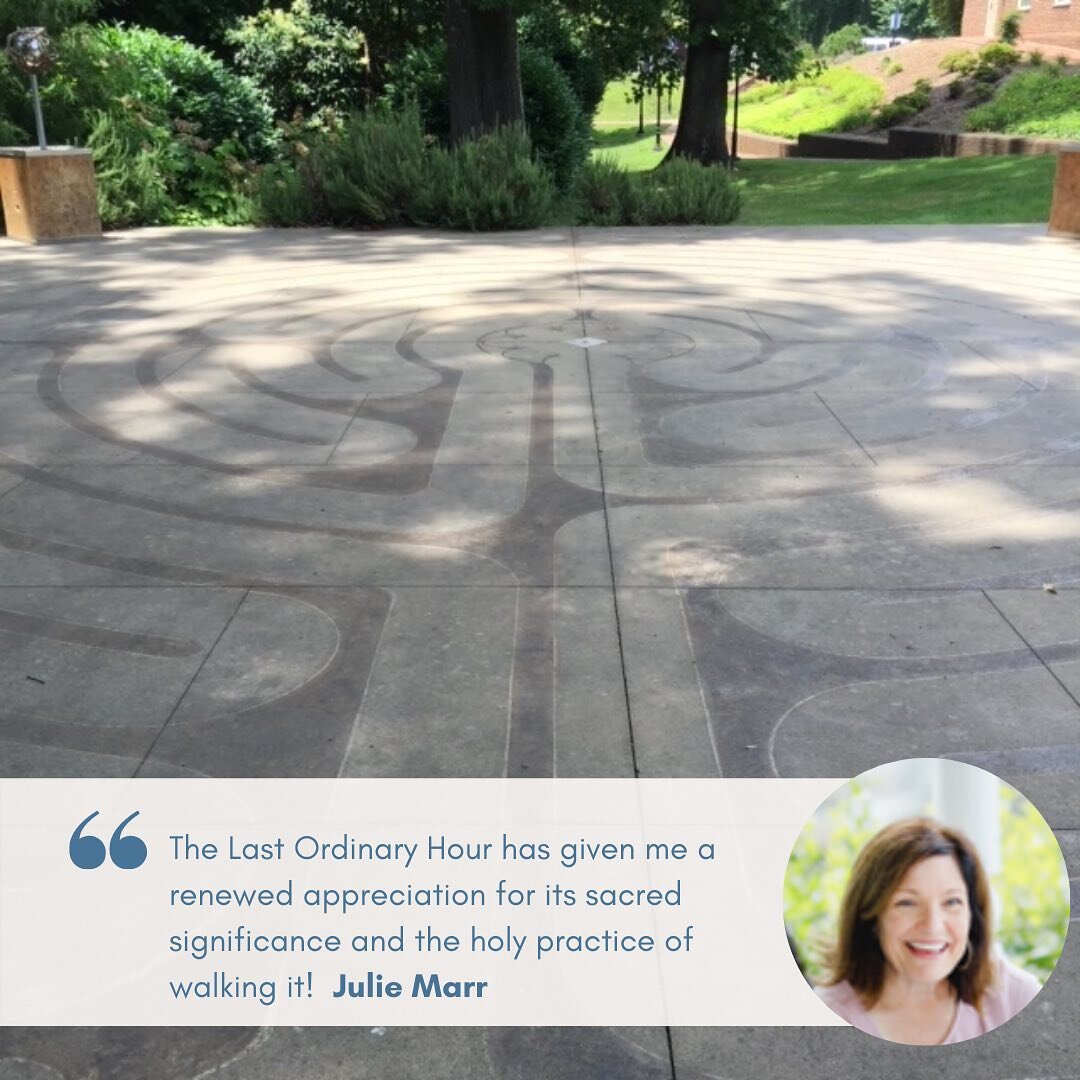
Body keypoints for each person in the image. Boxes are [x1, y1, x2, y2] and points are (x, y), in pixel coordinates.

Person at [816, 818, 1041, 1045]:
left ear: (972, 914)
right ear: (871, 915)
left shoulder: (1014, 998)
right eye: (907, 903)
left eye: (952, 902)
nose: (933, 925)